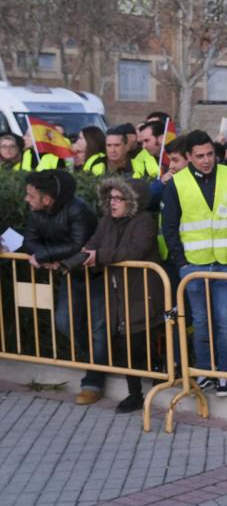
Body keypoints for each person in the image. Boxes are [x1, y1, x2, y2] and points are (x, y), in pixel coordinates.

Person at [160, 130, 227, 397]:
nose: (206, 160)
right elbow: (169, 228)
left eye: (210, 154)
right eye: (199, 156)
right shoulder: (176, 184)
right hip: (194, 266)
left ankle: (224, 374)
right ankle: (204, 370)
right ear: (188, 157)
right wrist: (182, 263)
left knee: (225, 321)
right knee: (200, 321)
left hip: (226, 262)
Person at [71, 177, 165, 413]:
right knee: (123, 342)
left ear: (131, 201)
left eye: (118, 199)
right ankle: (135, 394)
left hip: (141, 291)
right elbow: (94, 243)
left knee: (138, 339)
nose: (112, 203)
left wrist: (99, 255)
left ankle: (158, 375)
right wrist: (86, 253)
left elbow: (134, 251)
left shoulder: (144, 221)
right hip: (116, 292)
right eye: (110, 198)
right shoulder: (106, 221)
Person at [22, 170, 98, 359]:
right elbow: (30, 240)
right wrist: (46, 257)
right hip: (70, 274)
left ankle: (103, 364)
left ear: (47, 199)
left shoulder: (79, 210)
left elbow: (78, 245)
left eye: (31, 195)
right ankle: (90, 359)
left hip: (96, 274)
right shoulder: (35, 211)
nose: (26, 199)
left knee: (100, 325)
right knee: (64, 322)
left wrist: (44, 256)